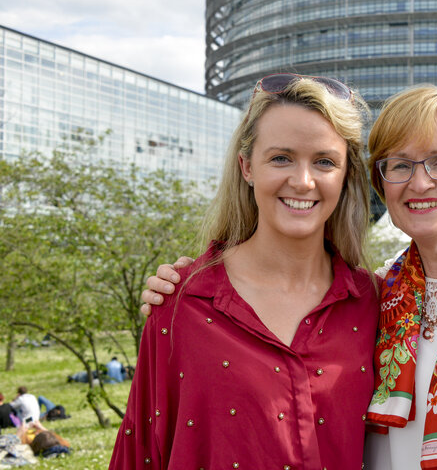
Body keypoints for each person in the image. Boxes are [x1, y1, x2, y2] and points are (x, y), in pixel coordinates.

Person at [143, 85, 437, 469]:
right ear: (381, 184)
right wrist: (184, 288)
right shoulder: (376, 293)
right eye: (400, 165)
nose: (420, 182)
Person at [111, 74, 379, 469]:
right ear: (247, 166)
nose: (302, 181)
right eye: (281, 158)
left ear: (345, 175)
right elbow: (140, 454)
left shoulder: (376, 302)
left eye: (324, 161)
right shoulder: (179, 303)